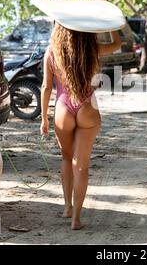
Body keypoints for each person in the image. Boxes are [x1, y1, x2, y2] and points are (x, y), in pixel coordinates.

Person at [40, 24, 122, 230]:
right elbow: (117, 44)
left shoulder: (52, 51)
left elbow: (46, 87)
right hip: (87, 107)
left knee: (67, 158)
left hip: (63, 109)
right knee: (81, 165)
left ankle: (67, 207)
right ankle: (76, 218)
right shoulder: (91, 47)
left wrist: (44, 118)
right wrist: (112, 25)